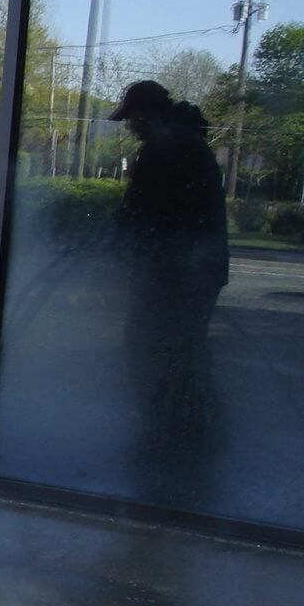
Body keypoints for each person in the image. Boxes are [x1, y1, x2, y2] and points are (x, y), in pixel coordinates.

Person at [108, 80, 228, 506]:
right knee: (183, 352)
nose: (131, 129)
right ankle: (188, 436)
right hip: (191, 271)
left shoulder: (166, 148)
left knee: (153, 350)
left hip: (176, 274)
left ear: (147, 114)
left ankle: (169, 440)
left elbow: (141, 214)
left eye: (132, 120)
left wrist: (112, 240)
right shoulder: (187, 144)